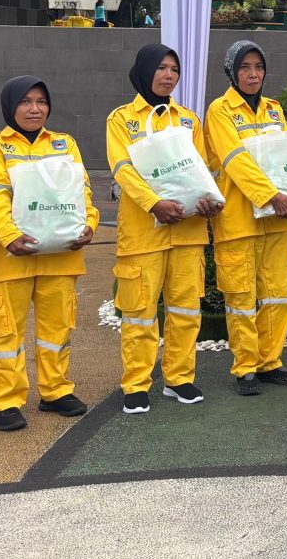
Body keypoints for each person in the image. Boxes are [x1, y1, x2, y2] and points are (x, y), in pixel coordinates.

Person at [0, 76, 98, 431]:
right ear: (9, 106)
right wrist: (9, 235)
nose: (34, 109)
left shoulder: (64, 143)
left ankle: (55, 390)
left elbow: (82, 192)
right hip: (9, 259)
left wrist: (89, 223)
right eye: (25, 102)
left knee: (56, 329)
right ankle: (5, 401)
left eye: (41, 101)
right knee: (4, 335)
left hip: (61, 256)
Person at [107, 44, 221, 415]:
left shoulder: (188, 119)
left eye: (174, 69)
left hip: (187, 232)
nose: (169, 75)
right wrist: (154, 203)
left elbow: (202, 169)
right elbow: (122, 168)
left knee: (186, 310)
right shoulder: (121, 119)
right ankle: (137, 383)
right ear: (143, 70)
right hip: (144, 234)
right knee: (140, 311)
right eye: (161, 68)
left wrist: (207, 201)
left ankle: (180, 378)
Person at [206, 41, 287, 396]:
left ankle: (271, 361)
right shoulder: (220, 111)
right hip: (239, 221)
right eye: (245, 68)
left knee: (279, 294)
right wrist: (271, 196)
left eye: (258, 67)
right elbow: (234, 160)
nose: (253, 74)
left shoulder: (273, 110)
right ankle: (246, 367)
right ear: (231, 71)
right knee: (242, 297)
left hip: (275, 220)